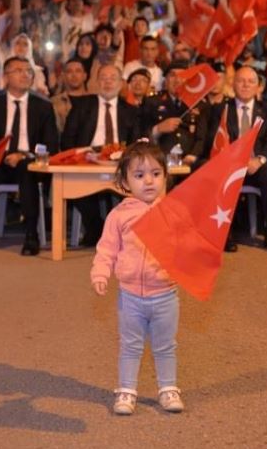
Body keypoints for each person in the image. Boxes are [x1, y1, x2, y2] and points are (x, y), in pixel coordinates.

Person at [90, 141, 183, 416]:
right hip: (130, 295)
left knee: (166, 345)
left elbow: (187, 247)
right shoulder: (119, 215)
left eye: (156, 173)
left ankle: (168, 388)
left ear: (166, 176)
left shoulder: (173, 212)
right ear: (125, 181)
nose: (149, 181)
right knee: (130, 345)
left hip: (166, 294)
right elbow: (106, 249)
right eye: (139, 175)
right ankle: (126, 391)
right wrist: (100, 272)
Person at [0, 56, 59, 256]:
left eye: (28, 71)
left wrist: (24, 154)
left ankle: (31, 234)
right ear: (6, 77)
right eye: (18, 70)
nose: (25, 74)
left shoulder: (43, 106)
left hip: (29, 161)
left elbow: (50, 145)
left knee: (27, 167)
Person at [62, 64, 140, 245]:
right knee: (73, 183)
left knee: (138, 186)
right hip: (87, 161)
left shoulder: (131, 110)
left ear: (121, 83)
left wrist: (123, 155)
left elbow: (137, 143)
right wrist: (83, 154)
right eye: (103, 78)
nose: (107, 82)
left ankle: (121, 231)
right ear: (97, 82)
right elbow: (68, 139)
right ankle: (97, 228)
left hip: (121, 164)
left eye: (112, 78)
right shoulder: (82, 106)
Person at [209, 65, 267, 252]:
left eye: (251, 81)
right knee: (219, 174)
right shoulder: (221, 109)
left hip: (255, 165)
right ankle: (226, 233)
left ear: (259, 87)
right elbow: (215, 141)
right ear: (233, 85)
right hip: (230, 165)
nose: (245, 85)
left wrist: (259, 160)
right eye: (241, 81)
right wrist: (232, 161)